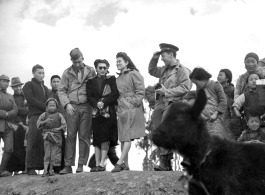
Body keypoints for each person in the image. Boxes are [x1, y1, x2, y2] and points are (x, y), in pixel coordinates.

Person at [148, 43, 192, 171]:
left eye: (163, 56)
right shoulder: (164, 69)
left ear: (171, 55)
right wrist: (154, 57)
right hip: (160, 103)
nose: (161, 59)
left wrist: (166, 92)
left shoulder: (182, 70)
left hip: (174, 103)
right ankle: (165, 163)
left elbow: (185, 88)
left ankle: (173, 161)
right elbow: (151, 70)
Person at [58, 48, 96, 174]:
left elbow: (95, 87)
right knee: (70, 135)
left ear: (83, 58)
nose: (78, 64)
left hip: (86, 106)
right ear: (71, 61)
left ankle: (81, 164)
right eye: (75, 62)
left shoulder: (91, 70)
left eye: (79, 61)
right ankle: (68, 165)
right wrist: (67, 104)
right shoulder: (66, 73)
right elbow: (61, 90)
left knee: (84, 135)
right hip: (72, 106)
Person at [111, 52, 145, 173]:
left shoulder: (134, 74)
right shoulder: (118, 78)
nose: (118, 63)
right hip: (121, 109)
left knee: (128, 137)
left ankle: (119, 163)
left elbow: (141, 91)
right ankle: (126, 164)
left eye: (120, 61)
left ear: (126, 62)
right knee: (123, 137)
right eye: (117, 61)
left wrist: (133, 103)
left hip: (132, 108)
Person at [86, 59, 119, 172]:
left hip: (109, 113)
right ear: (96, 68)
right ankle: (96, 163)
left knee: (105, 137)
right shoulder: (90, 81)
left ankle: (102, 163)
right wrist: (96, 104)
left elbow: (115, 94)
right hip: (96, 113)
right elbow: (89, 96)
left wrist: (104, 102)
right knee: (97, 138)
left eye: (105, 67)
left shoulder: (111, 79)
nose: (103, 70)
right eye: (100, 68)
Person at [23, 64, 50, 175]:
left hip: (45, 116)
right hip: (34, 116)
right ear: (33, 73)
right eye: (39, 73)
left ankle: (42, 166)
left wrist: (48, 109)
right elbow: (30, 100)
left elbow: (49, 101)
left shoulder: (45, 88)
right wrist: (46, 107)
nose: (41, 75)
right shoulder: (28, 85)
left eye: (43, 73)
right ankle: (30, 167)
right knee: (33, 140)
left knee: (43, 141)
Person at [190, 67, 227, 138]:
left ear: (203, 80)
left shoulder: (216, 85)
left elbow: (223, 101)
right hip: (204, 121)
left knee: (216, 141)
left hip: (216, 120)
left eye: (196, 83)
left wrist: (216, 113)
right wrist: (201, 115)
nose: (196, 86)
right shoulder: (198, 90)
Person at [37, 98, 67, 177]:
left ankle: (51, 170)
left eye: (54, 106)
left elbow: (64, 125)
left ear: (56, 107)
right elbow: (38, 124)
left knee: (54, 154)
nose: (52, 107)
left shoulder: (59, 115)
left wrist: (58, 128)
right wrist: (45, 121)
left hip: (57, 137)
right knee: (47, 153)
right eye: (50, 106)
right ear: (47, 107)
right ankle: (45, 170)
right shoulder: (44, 115)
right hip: (47, 136)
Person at [6, 77, 28, 175]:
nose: (18, 88)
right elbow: (14, 111)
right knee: (16, 147)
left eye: (19, 86)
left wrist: (19, 110)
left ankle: (25, 168)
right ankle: (15, 169)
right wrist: (22, 110)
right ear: (13, 88)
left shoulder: (26, 97)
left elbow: (28, 110)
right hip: (16, 125)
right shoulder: (12, 98)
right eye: (16, 87)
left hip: (26, 125)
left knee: (26, 147)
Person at [0, 75, 18, 177]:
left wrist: (8, 114)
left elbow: (15, 110)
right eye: (3, 81)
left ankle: (1, 170)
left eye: (7, 82)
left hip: (8, 126)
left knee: (9, 148)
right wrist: (5, 114)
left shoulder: (10, 96)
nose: (6, 83)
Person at [49, 75, 65, 173]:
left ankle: (60, 167)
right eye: (54, 81)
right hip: (51, 123)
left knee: (61, 145)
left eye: (58, 81)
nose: (56, 83)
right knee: (51, 146)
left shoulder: (63, 93)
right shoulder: (48, 94)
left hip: (62, 123)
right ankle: (51, 168)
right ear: (51, 83)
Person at [217, 69, 236, 140]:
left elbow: (234, 102)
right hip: (217, 112)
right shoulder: (215, 88)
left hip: (228, 114)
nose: (218, 76)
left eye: (221, 75)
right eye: (218, 75)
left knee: (226, 131)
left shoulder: (232, 89)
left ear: (227, 78)